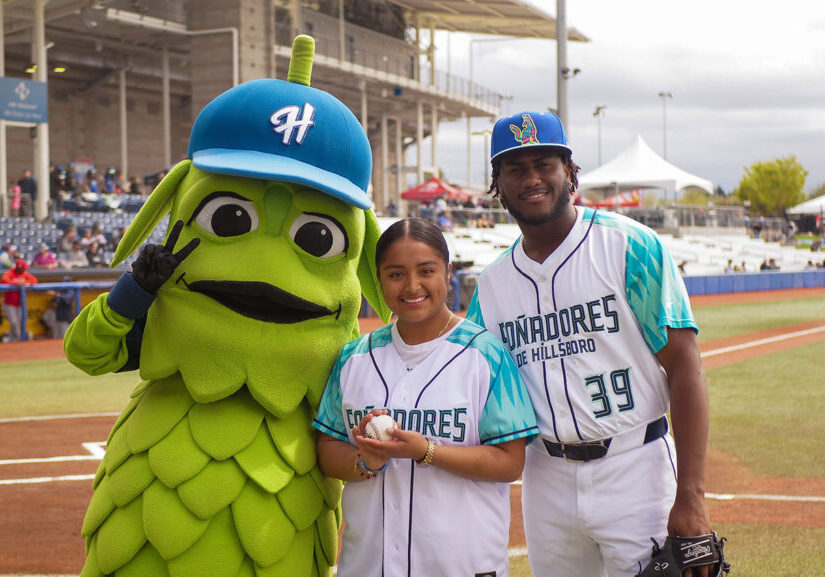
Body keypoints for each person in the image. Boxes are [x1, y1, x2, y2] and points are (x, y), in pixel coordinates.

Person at [466, 111, 714, 577]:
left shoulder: (629, 247)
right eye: (516, 168)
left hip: (635, 465)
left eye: (545, 163)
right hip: (546, 477)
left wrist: (692, 498)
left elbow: (684, 366)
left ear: (569, 171)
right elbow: (472, 387)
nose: (532, 178)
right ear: (498, 183)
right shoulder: (493, 285)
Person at [312, 217, 538, 577]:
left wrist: (425, 451)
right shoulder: (354, 357)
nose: (412, 286)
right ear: (379, 276)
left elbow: (509, 463)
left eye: (426, 271)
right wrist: (364, 461)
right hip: (369, 563)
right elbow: (327, 450)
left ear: (448, 273)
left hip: (461, 564)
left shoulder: (486, 355)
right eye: (396, 274)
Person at [1, 259, 38, 341]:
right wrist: (17, 283)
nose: (24, 269)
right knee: (14, 322)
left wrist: (24, 282)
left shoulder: (24, 274)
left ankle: (12, 339)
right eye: (23, 268)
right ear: (19, 268)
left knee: (17, 323)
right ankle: (19, 338)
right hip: (9, 304)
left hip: (20, 304)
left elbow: (34, 280)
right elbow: (4, 280)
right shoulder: (10, 273)